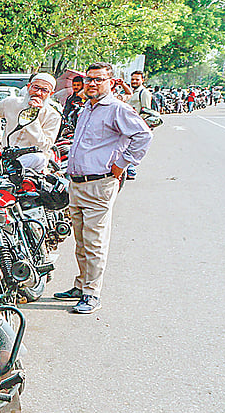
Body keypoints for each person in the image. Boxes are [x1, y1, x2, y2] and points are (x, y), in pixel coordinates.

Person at [52, 62, 151, 314]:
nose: (93, 84)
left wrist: (122, 164)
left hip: (100, 184)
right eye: (89, 79)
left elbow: (143, 135)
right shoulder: (87, 107)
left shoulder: (117, 109)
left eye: (98, 80)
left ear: (111, 82)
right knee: (80, 239)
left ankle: (92, 293)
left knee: (94, 240)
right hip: (77, 183)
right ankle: (82, 284)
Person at [0, 73, 61, 170]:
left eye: (44, 90)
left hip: (31, 164)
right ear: (29, 87)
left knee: (39, 158)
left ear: (50, 94)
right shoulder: (11, 103)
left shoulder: (53, 116)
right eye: (36, 87)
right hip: (4, 156)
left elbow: (44, 146)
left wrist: (32, 115)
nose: (38, 93)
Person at [57, 74, 87, 143]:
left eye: (78, 85)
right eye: (74, 85)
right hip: (70, 125)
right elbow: (66, 111)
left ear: (82, 85)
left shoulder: (86, 98)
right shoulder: (70, 98)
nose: (76, 87)